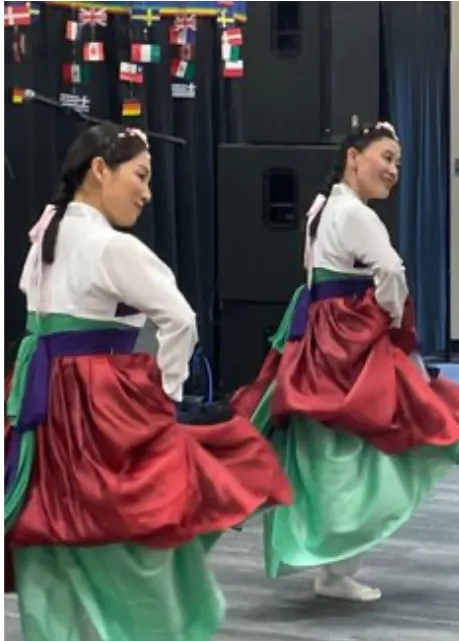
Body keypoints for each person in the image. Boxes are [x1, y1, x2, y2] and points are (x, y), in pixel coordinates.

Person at [4, 123, 292, 641]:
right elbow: (180, 319)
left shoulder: (47, 234)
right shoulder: (110, 247)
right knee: (122, 524)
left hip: (41, 402)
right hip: (94, 403)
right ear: (99, 169)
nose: (147, 192)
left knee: (52, 530)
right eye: (140, 175)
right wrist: (168, 395)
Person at [231, 120, 459, 603]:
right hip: (346, 341)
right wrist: (392, 319)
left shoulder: (322, 207)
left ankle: (329, 561)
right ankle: (335, 562)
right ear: (353, 156)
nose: (394, 170)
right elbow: (392, 271)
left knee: (328, 452)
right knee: (366, 445)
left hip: (317, 335)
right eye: (387, 157)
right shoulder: (355, 214)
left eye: (398, 162)